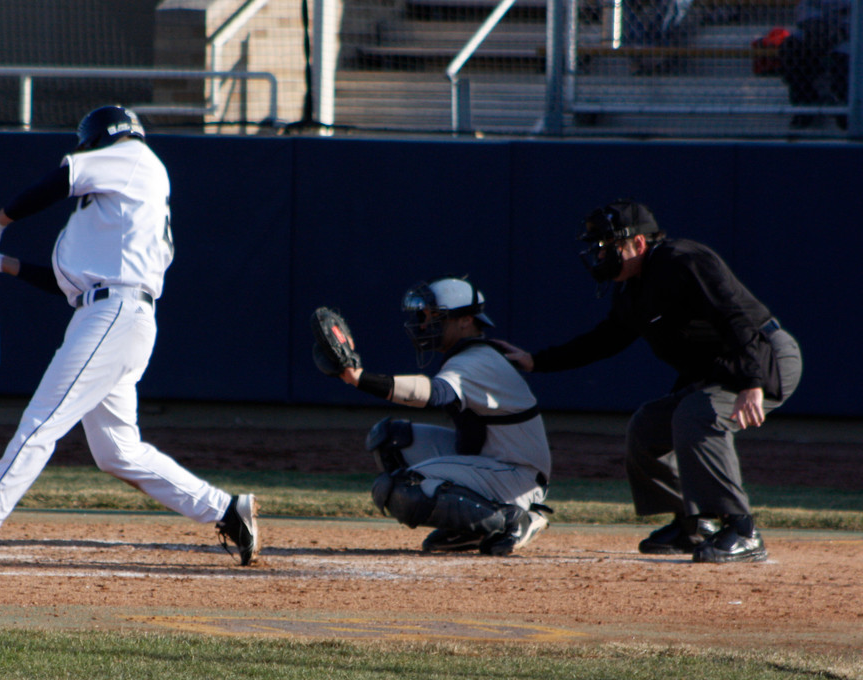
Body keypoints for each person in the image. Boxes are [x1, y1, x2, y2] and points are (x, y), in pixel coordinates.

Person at [0, 105, 259, 567]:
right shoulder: (121, 200)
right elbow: (69, 284)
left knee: (40, 424)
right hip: (112, 315)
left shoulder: (132, 156)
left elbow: (61, 178)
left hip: (113, 315)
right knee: (118, 452)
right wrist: (4, 264)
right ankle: (225, 509)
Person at [501, 200, 801, 563]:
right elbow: (606, 339)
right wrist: (536, 361)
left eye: (609, 246)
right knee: (648, 427)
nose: (600, 255)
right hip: (722, 368)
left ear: (639, 244)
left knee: (696, 416)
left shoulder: (683, 259)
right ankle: (696, 523)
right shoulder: (635, 288)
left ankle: (742, 529)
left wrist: (752, 381)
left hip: (762, 355)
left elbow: (735, 315)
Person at [329, 277, 553, 556]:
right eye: (424, 316)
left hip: (516, 475)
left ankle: (514, 519)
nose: (424, 324)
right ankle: (470, 529)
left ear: (466, 320)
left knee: (400, 489)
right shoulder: (471, 354)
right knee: (391, 439)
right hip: (492, 461)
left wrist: (359, 378)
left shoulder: (478, 359)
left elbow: (433, 393)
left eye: (435, 316)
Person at [777, 0, 851, 129]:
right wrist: (815, 25)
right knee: (791, 46)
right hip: (818, 29)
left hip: (851, 34)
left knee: (845, 58)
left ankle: (846, 109)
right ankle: (805, 105)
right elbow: (805, 7)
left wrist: (842, 32)